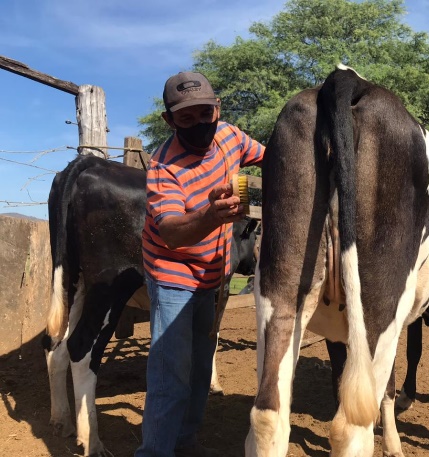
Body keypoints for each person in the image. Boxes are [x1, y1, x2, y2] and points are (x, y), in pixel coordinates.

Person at [136, 71, 264, 457]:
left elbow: (272, 158)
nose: (197, 125)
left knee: (200, 369)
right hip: (172, 273)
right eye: (185, 118)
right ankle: (155, 452)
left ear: (217, 109)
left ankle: (184, 443)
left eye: (203, 113)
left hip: (214, 275)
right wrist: (211, 215)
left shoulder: (230, 136)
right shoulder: (163, 167)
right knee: (171, 375)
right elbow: (173, 233)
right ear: (169, 121)